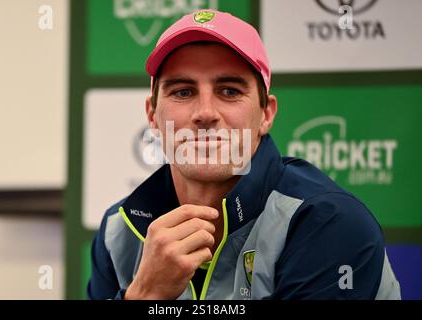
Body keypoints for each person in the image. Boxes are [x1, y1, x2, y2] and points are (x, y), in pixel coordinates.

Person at [88, 9, 401, 300]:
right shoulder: (119, 231)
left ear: (266, 114)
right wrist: (142, 294)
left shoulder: (329, 222)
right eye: (183, 91)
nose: (205, 113)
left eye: (229, 91)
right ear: (153, 115)